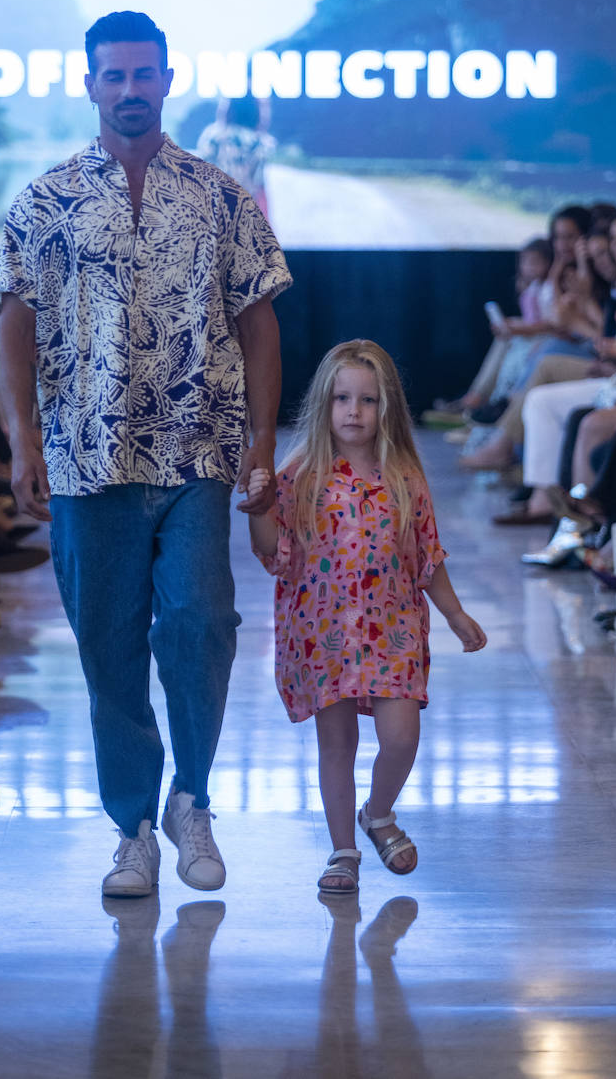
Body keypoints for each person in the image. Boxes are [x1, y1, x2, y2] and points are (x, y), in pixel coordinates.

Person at [0, 10, 291, 898]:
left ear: (166, 80)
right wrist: (19, 439)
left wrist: (263, 442)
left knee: (201, 622)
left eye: (144, 74)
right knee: (106, 647)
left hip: (197, 449)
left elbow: (260, 324)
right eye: (113, 76)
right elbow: (14, 321)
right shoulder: (43, 200)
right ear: (90, 85)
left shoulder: (220, 195)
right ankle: (133, 829)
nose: (129, 90)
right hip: (85, 457)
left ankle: (191, 799)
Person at [246, 339, 486, 895]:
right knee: (338, 744)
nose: (353, 412)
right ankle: (342, 851)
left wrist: (453, 614)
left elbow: (427, 555)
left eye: (368, 400)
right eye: (341, 399)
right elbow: (274, 555)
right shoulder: (300, 473)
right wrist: (259, 511)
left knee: (401, 736)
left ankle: (378, 814)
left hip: (393, 628)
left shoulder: (404, 476)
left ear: (387, 408)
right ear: (323, 405)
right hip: (323, 632)